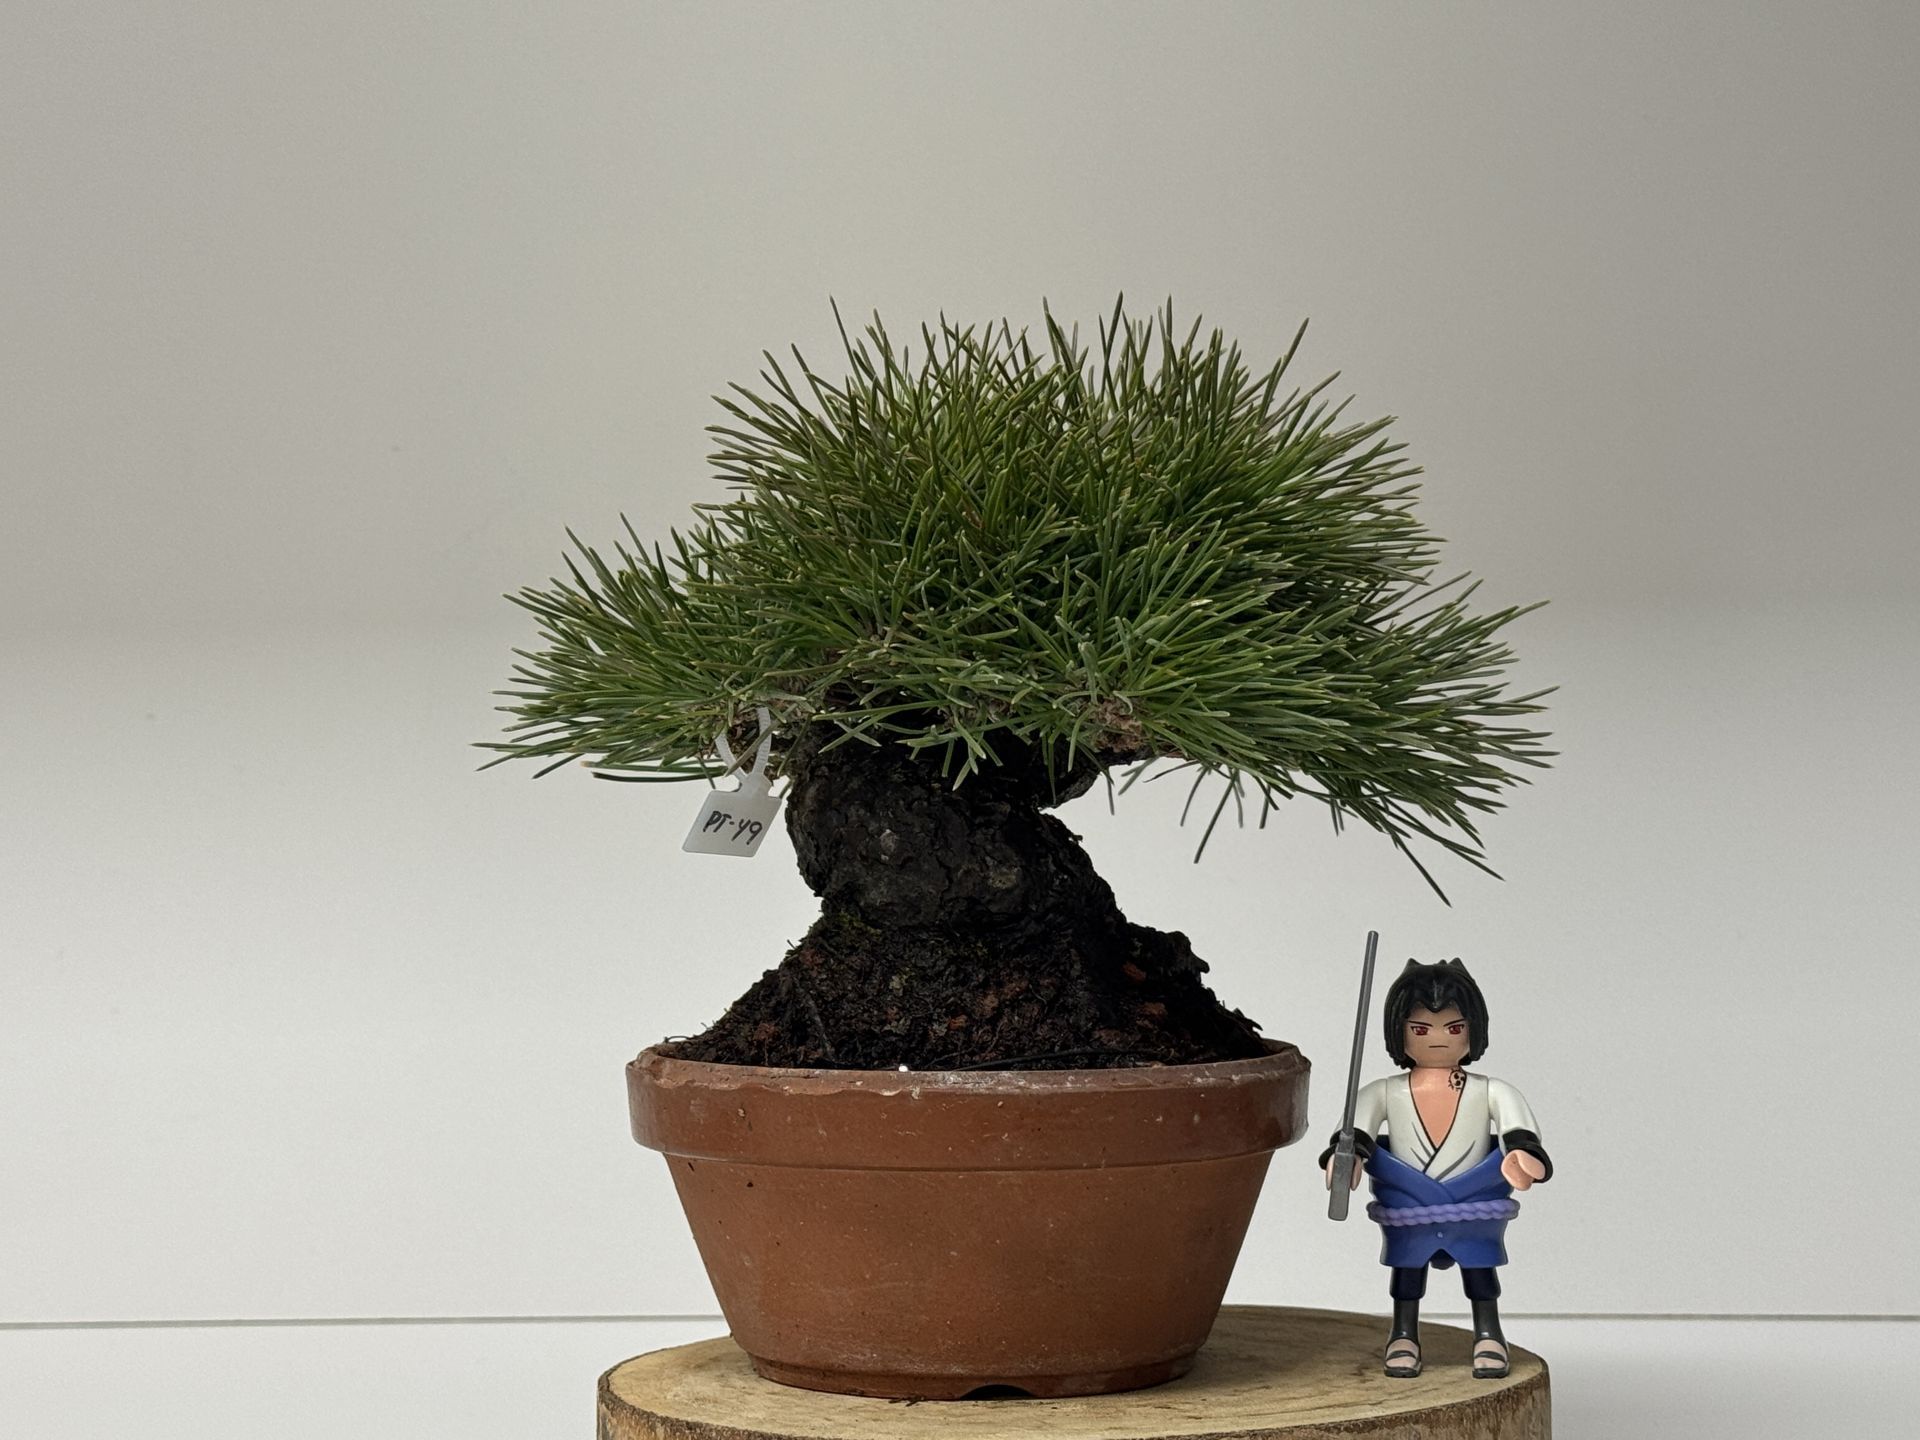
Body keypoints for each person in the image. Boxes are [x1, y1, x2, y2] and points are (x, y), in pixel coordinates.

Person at [1321, 958, 1552, 1379]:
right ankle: (1403, 1333)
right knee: (1407, 1273)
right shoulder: (1384, 1092)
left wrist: (1522, 1153)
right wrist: (1347, 1156)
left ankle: (1488, 1333)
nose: (1440, 1039)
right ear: (1399, 1033)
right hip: (1408, 1200)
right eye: (1422, 1029)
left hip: (1475, 1200)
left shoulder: (1490, 1090)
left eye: (1454, 1028)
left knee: (1480, 1272)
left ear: (1474, 1030)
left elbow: (1517, 1128)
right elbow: (1356, 1130)